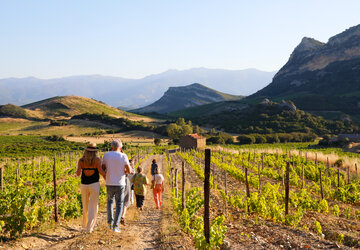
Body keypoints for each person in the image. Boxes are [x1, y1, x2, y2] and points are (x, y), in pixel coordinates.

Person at [76, 143, 106, 233]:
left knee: (85, 205)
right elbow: (101, 172)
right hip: (94, 184)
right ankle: (89, 227)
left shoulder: (81, 160)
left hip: (84, 184)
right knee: (93, 205)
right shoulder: (97, 160)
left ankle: (84, 226)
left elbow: (78, 173)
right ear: (95, 152)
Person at [102, 139, 130, 233]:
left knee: (110, 202)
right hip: (120, 183)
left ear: (111, 147)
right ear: (120, 147)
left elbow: (103, 168)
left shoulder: (106, 155)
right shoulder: (123, 156)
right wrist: (123, 171)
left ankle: (110, 223)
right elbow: (129, 171)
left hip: (109, 182)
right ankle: (115, 226)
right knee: (119, 204)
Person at [120, 158, 135, 225]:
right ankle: (122, 216)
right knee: (125, 201)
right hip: (127, 184)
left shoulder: (118, 166)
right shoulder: (129, 169)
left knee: (120, 201)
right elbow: (132, 173)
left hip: (118, 183)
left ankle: (118, 217)